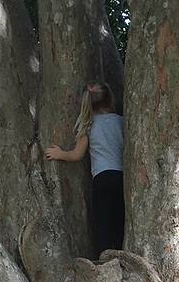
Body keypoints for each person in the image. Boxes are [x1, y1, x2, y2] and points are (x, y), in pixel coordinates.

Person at [45, 82, 124, 259]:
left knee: (103, 221)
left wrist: (59, 154)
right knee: (120, 218)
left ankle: (104, 258)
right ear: (110, 100)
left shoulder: (89, 125)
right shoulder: (122, 121)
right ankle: (122, 252)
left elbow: (76, 154)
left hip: (102, 178)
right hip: (122, 177)